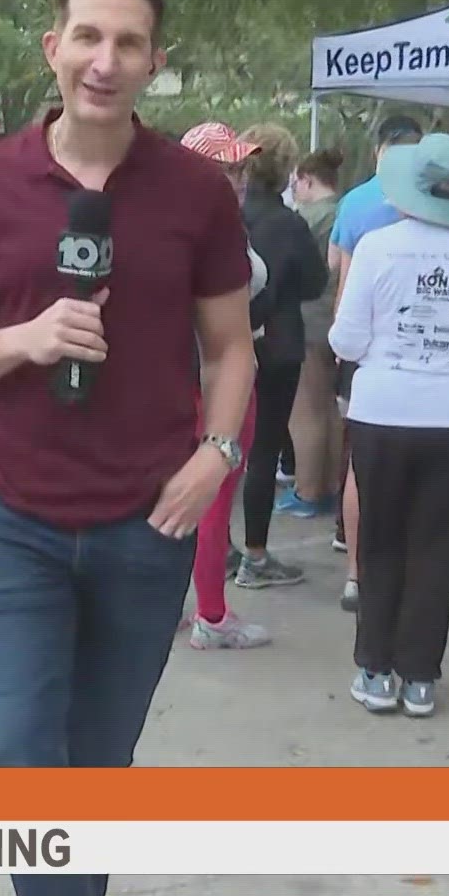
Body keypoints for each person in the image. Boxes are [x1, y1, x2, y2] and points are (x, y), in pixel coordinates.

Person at [0, 0, 255, 896]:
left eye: (129, 43)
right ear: (53, 47)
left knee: (97, 776)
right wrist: (25, 339)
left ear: (155, 62)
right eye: (89, 37)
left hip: (146, 525)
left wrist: (219, 453)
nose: (104, 60)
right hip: (14, 518)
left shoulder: (197, 192)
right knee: (20, 761)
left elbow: (233, 349)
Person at [329, 132, 449, 718]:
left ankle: (375, 670)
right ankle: (420, 678)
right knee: (437, 547)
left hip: (382, 410)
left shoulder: (378, 247)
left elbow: (346, 339)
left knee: (381, 541)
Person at [178, 122, 272, 650]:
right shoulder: (214, 229)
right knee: (212, 497)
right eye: (225, 167)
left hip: (187, 372)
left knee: (178, 495)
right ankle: (211, 615)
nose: (237, 178)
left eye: (239, 167)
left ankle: (176, 605)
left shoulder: (177, 223)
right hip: (218, 377)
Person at [328, 114, 423, 610]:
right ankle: (398, 566)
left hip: (360, 349)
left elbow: (335, 270)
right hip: (425, 356)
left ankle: (355, 572)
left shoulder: (355, 202)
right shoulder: (436, 207)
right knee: (416, 465)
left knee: (362, 463)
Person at [234, 122, 328, 588]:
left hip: (225, 341)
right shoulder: (289, 224)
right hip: (278, 342)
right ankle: (255, 553)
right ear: (288, 169)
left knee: (220, 440)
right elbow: (315, 282)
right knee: (264, 449)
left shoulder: (226, 213)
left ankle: (218, 546)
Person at [277, 148, 343, 519]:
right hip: (334, 319)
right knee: (329, 411)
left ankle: (307, 489)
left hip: (307, 319)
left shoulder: (308, 217)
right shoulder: (343, 211)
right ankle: (331, 484)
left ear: (306, 180)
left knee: (304, 412)